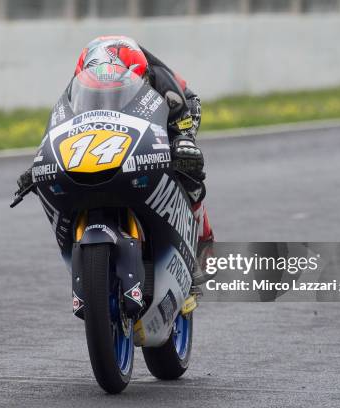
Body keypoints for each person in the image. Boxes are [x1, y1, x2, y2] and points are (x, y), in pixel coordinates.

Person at [17, 35, 214, 285]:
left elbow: (188, 109)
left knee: (188, 166)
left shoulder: (161, 80)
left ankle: (203, 242)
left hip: (173, 118)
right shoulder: (79, 83)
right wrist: (39, 164)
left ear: (141, 76)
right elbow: (61, 126)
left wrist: (183, 139)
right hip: (108, 135)